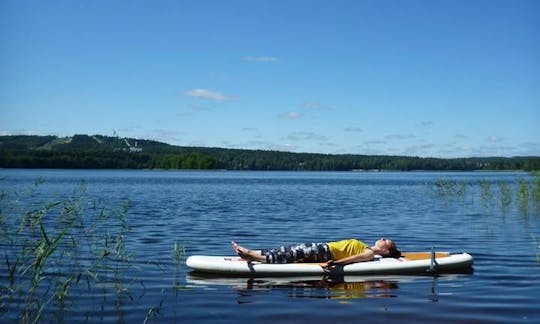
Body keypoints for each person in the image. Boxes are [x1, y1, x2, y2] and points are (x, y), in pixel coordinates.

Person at [231, 238, 401, 270]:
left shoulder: (369, 253)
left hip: (324, 253)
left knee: (291, 255)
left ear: (386, 250)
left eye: (385, 240)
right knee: (287, 249)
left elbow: (353, 258)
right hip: (322, 247)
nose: (382, 237)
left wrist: (336, 264)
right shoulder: (367, 247)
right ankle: (250, 252)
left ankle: (252, 257)